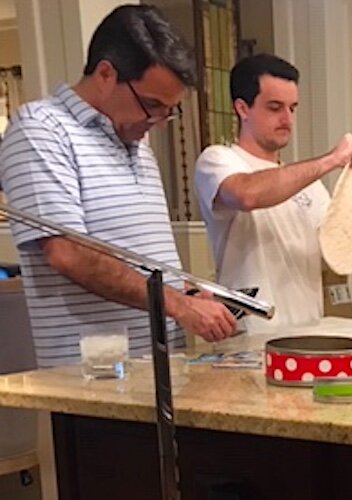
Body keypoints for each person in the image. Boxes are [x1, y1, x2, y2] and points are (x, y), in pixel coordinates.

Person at [0, 5, 237, 368]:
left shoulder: (134, 140)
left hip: (158, 367)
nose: (158, 122)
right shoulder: (40, 129)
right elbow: (68, 253)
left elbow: (139, 255)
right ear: (106, 73)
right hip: (93, 377)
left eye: (168, 111)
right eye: (152, 105)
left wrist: (187, 294)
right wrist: (177, 304)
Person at [194, 54, 352, 328]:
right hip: (250, 339)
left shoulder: (310, 185)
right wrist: (330, 160)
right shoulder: (218, 160)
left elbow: (335, 256)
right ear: (242, 108)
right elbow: (246, 195)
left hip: (307, 333)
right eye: (275, 107)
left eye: (293, 108)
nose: (287, 119)